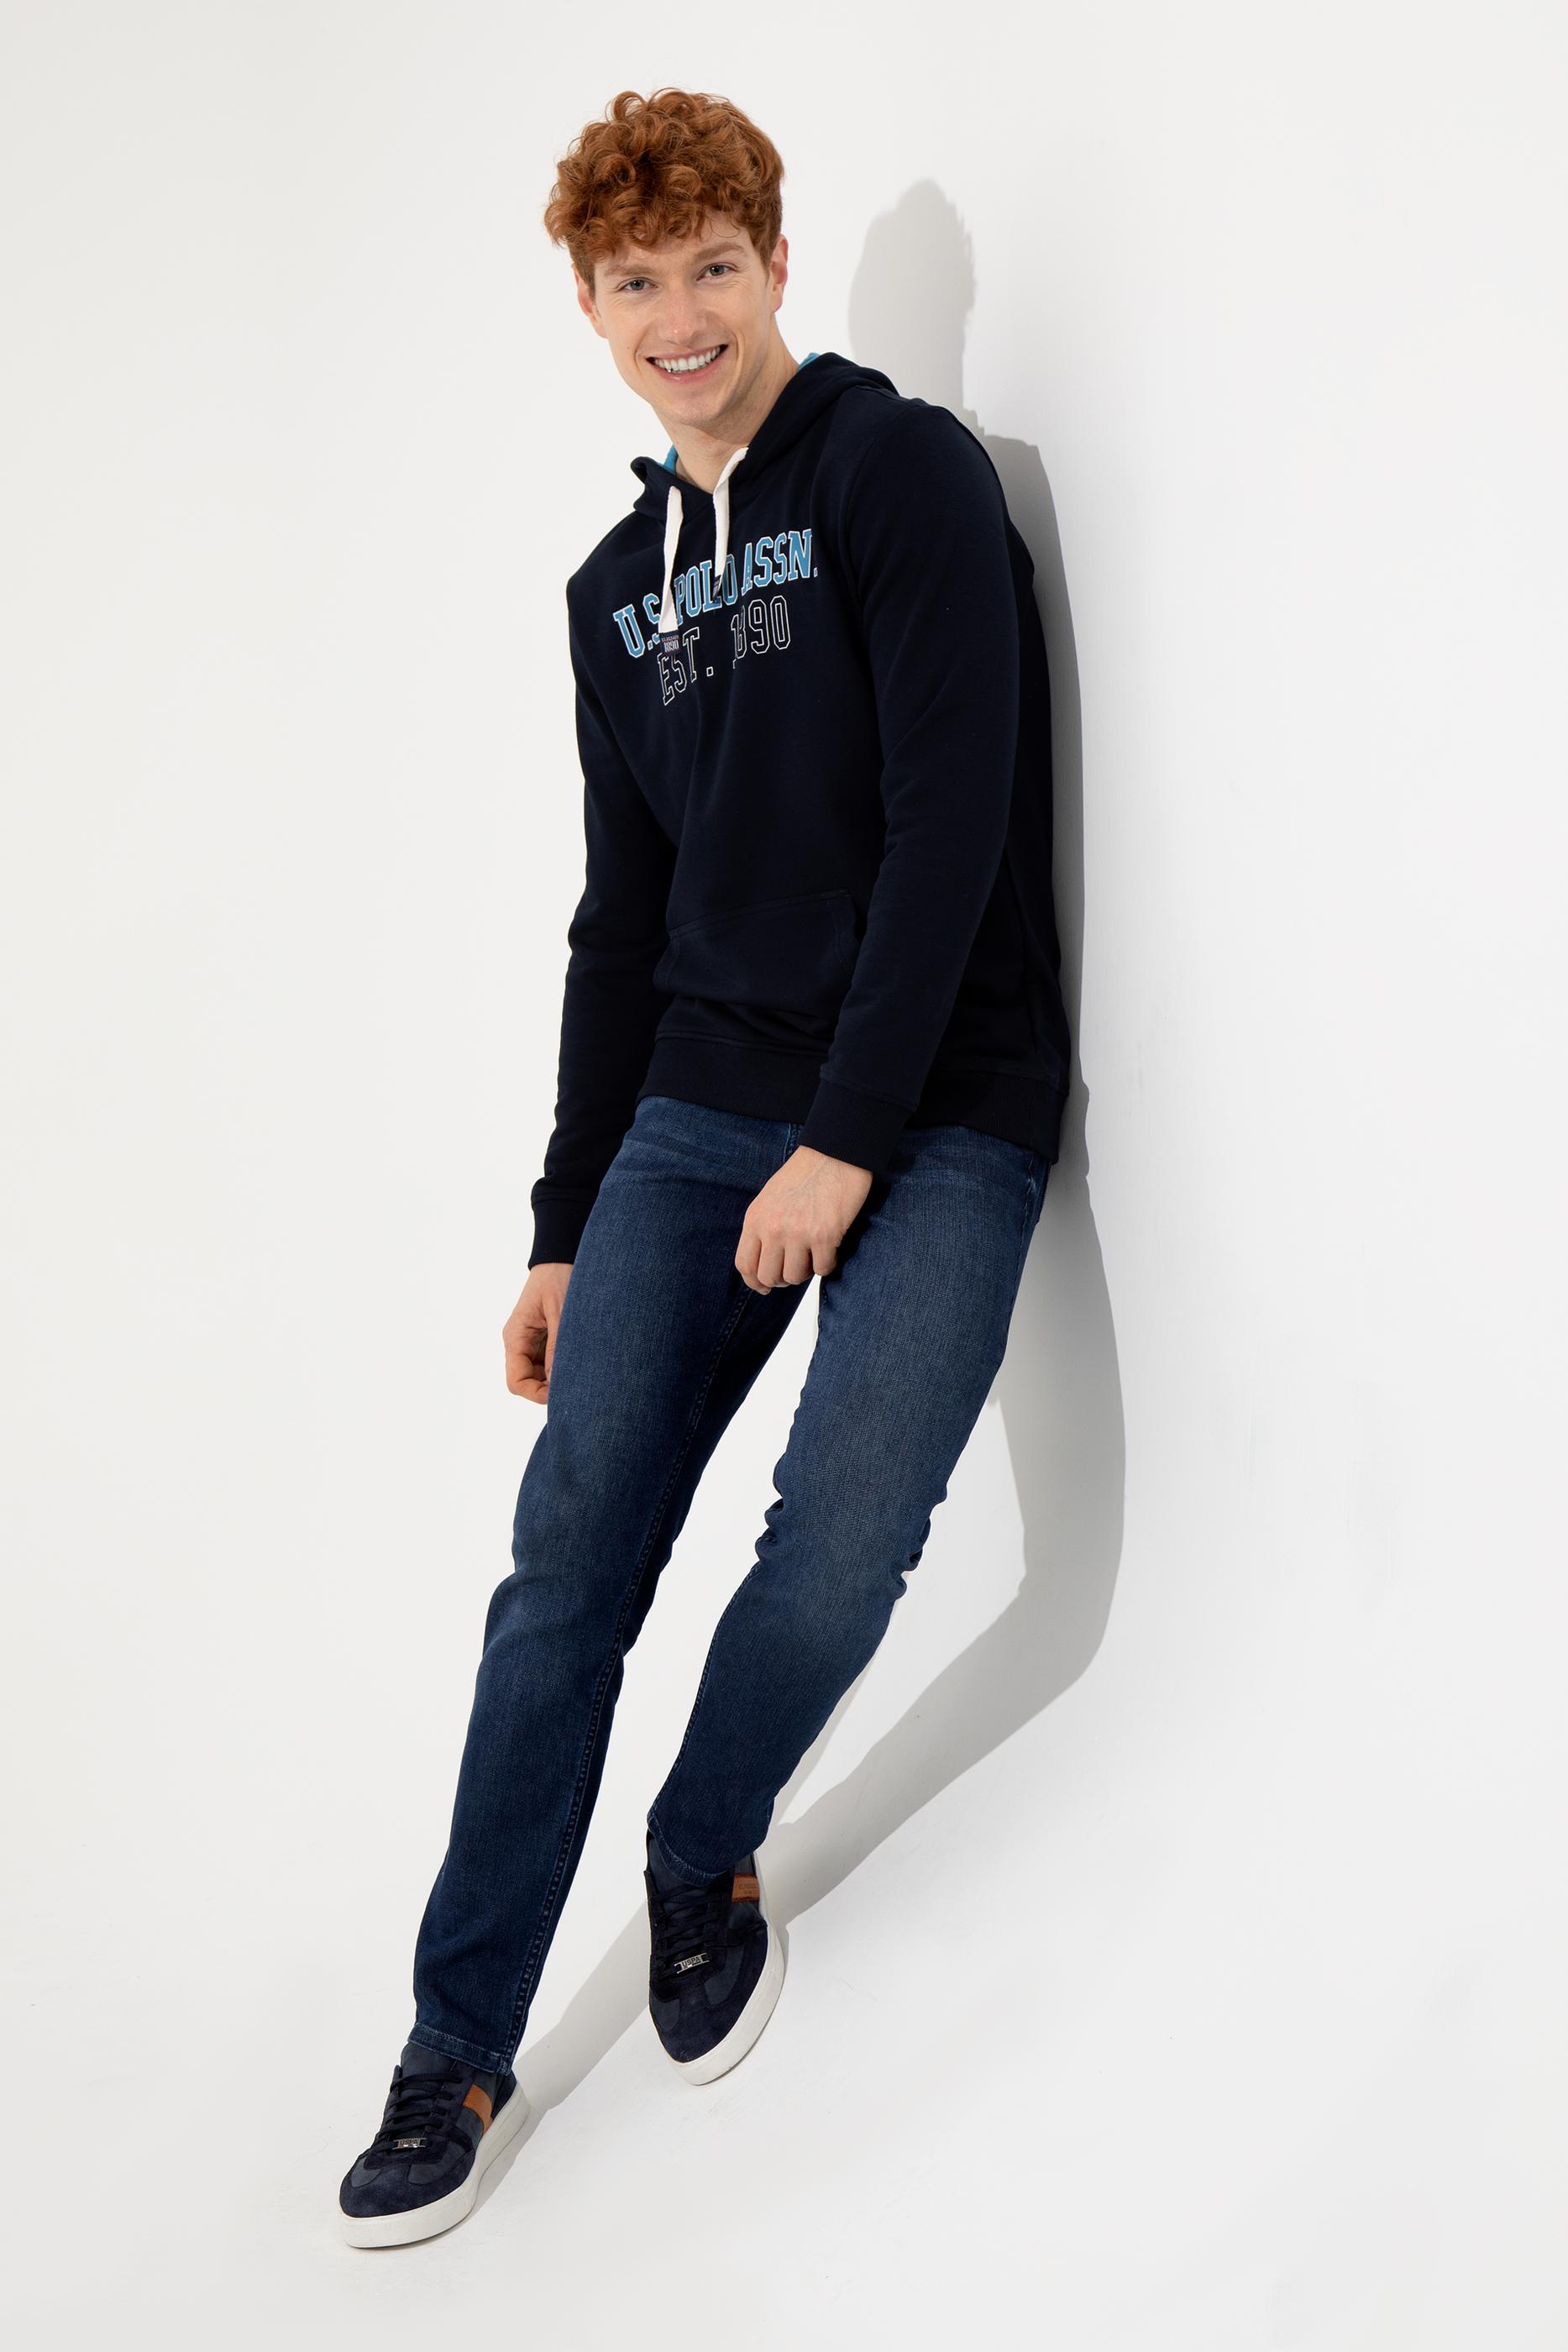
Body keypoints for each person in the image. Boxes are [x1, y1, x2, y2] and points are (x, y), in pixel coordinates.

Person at [338, 84, 1071, 2250]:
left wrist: (847, 1138)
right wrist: (567, 1226)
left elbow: (953, 825)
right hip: (692, 1115)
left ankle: (702, 1846)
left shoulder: (899, 473)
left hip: (940, 1103)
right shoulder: (612, 595)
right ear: (589, 305)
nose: (681, 316)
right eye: (636, 282)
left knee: (840, 1545)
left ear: (776, 260)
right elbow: (621, 927)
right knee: (566, 1568)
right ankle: (456, 2044)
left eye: (714, 267)